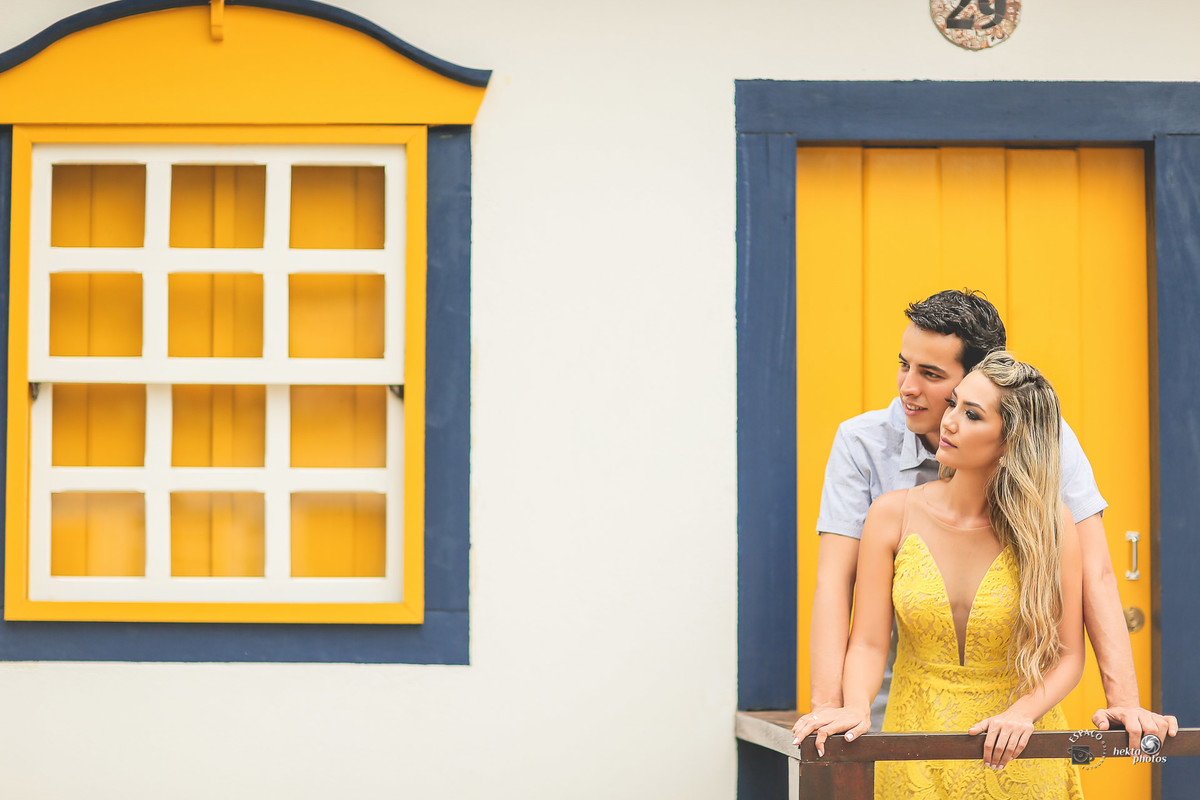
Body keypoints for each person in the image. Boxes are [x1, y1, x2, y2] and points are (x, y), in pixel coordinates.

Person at [806, 290, 1176, 751]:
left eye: (931, 374)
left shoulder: (1042, 438)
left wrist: (1125, 702)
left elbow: (1096, 575)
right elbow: (835, 582)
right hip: (885, 708)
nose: (907, 387)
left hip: (1012, 721)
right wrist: (829, 708)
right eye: (904, 365)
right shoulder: (862, 444)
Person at [793, 353, 1083, 796]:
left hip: (1017, 754)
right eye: (953, 404)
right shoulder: (891, 515)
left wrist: (1022, 713)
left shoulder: (1051, 525)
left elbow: (1069, 656)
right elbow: (869, 642)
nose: (948, 422)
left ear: (1011, 440)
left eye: (971, 415)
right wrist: (854, 706)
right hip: (913, 752)